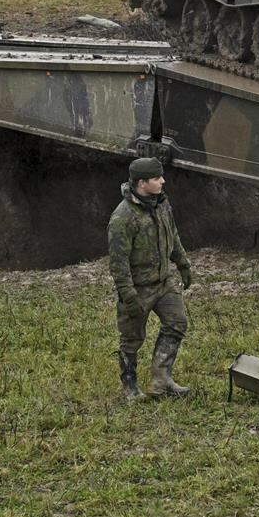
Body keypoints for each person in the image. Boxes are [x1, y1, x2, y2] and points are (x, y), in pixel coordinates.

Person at [107, 156, 194, 400]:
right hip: (138, 288)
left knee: (177, 323)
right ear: (142, 183)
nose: (163, 181)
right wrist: (129, 295)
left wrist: (183, 264)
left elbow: (173, 235)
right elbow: (118, 263)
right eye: (157, 178)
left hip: (164, 283)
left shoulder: (162, 204)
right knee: (131, 340)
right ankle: (130, 387)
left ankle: (161, 380)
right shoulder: (122, 218)